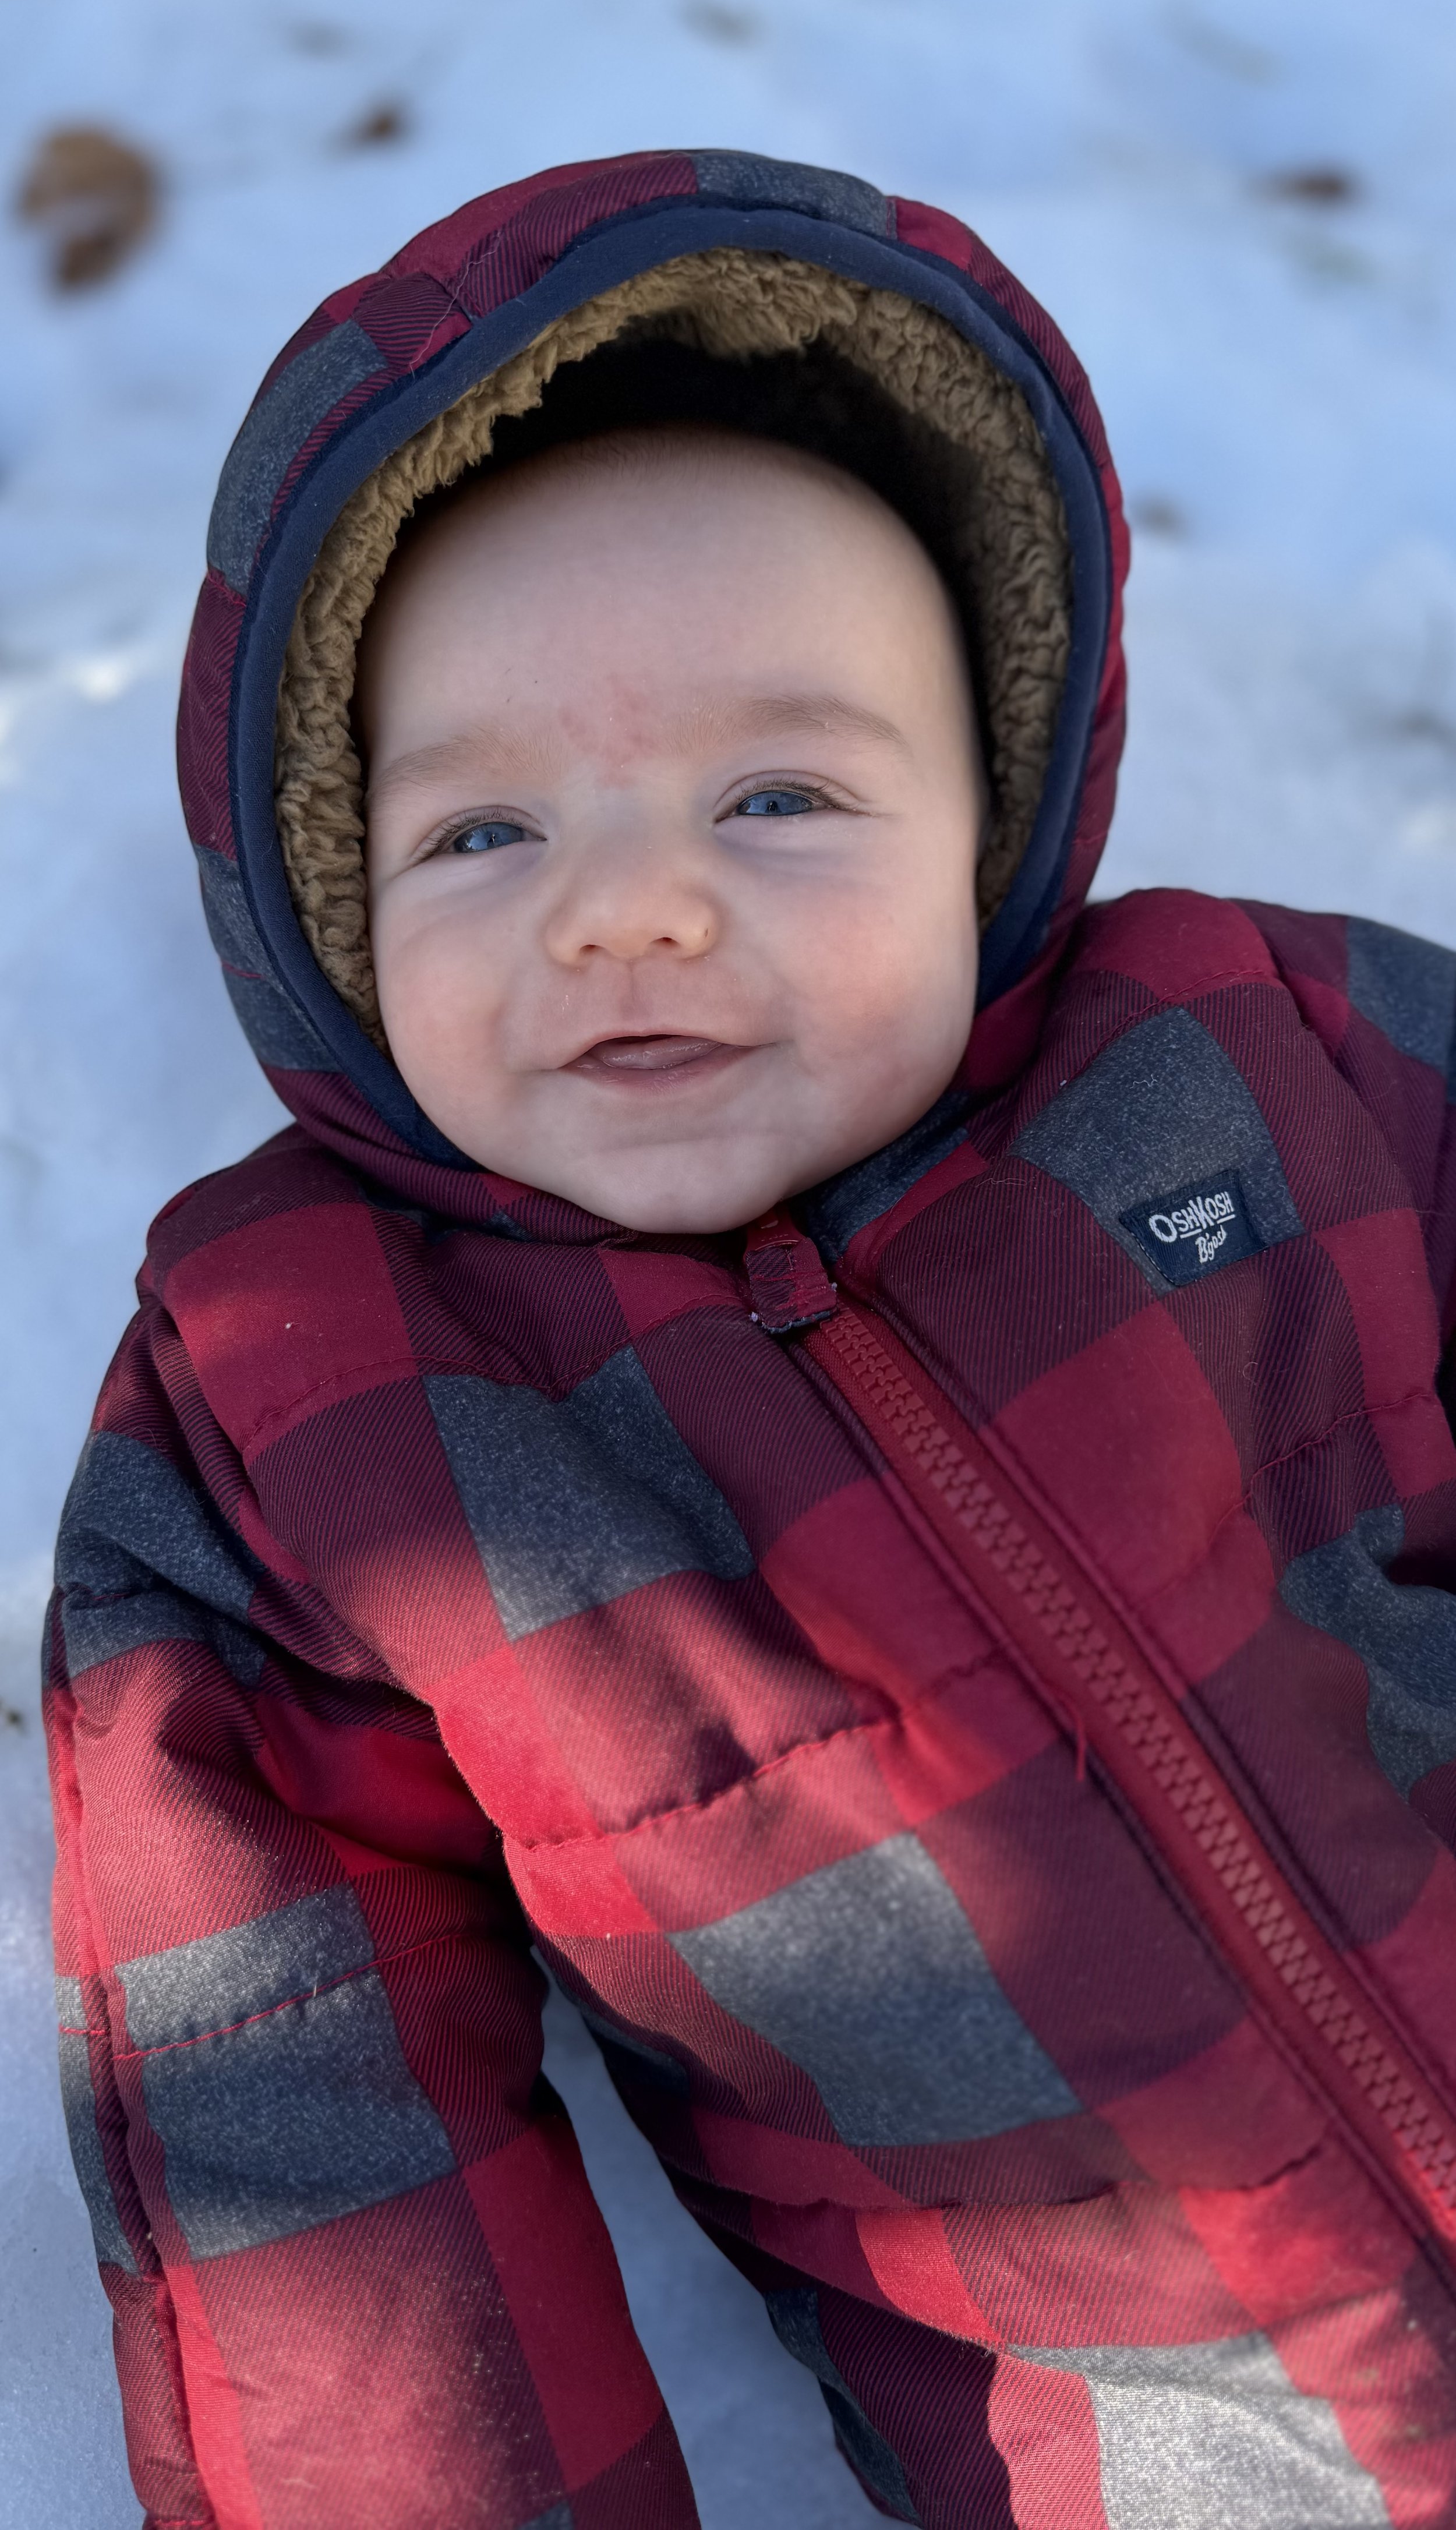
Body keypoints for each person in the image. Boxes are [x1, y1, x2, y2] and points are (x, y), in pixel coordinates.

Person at [45, 149, 1456, 2530]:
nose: (632, 908)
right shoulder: (302, 1405)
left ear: (990, 802)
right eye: (485, 834)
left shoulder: (1265, 1051)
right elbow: (298, 2126)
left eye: (776, 794)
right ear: (321, 890)